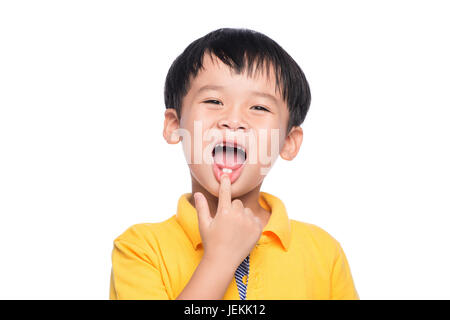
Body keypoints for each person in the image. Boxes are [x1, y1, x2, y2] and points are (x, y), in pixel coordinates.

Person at [109, 28, 359, 300]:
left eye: (259, 108)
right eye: (214, 101)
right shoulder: (140, 248)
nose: (233, 120)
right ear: (174, 126)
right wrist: (219, 260)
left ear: (289, 141)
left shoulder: (323, 253)